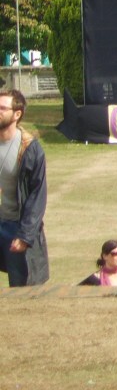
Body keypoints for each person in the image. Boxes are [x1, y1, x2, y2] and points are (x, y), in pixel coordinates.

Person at [0, 89, 49, 286]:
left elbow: (37, 196)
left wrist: (26, 235)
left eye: (2, 108)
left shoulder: (30, 148)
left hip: (16, 226)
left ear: (17, 114)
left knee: (22, 288)